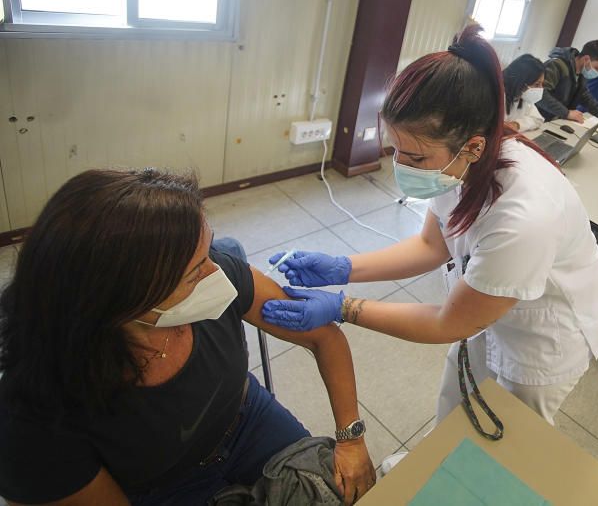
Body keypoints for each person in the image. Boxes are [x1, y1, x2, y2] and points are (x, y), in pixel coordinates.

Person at [261, 26, 598, 426]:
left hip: (545, 336)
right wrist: (343, 267)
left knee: (503, 437)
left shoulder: (523, 218)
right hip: (486, 303)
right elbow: (432, 245)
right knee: (456, 407)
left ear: (473, 146)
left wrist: (345, 308)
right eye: (395, 150)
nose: (399, 167)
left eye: (413, 157)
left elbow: (452, 321)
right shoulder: (458, 163)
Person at [0, 169, 376, 505]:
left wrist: (352, 440)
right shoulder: (36, 410)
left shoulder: (217, 272)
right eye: (196, 271)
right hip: (160, 487)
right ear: (121, 300)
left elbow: (323, 338)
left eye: (208, 250)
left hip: (248, 422)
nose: (218, 272)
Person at [535, 40, 598, 128]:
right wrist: (567, 113)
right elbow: (540, 95)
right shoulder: (556, 66)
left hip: (555, 122)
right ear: (586, 59)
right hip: (538, 121)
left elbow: (585, 97)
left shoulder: (581, 73)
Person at [503, 53, 546, 132]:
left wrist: (517, 124)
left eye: (542, 84)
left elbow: (538, 119)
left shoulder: (523, 96)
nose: (540, 88)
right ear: (521, 81)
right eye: (537, 84)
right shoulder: (499, 95)